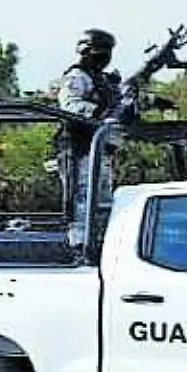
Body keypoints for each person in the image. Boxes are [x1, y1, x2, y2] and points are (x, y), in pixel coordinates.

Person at [56, 28, 120, 245]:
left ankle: (101, 244)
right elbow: (70, 105)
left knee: (103, 202)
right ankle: (80, 248)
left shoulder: (102, 80)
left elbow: (118, 103)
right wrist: (98, 111)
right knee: (82, 202)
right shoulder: (76, 77)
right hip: (79, 151)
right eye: (100, 52)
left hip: (100, 152)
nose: (105, 58)